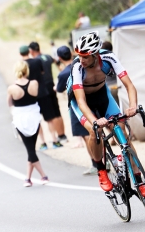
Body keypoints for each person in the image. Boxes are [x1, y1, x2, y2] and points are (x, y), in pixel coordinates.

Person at [66, 32, 144, 195]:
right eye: (79, 55)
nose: (81, 59)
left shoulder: (109, 58)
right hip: (81, 101)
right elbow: (81, 101)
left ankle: (138, 179)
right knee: (95, 132)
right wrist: (95, 121)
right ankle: (101, 169)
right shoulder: (77, 67)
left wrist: (132, 106)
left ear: (95, 54)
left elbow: (129, 84)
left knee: (122, 133)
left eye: (85, 56)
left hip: (102, 96)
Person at [55, 45, 98, 176]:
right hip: (92, 99)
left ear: (60, 58)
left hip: (77, 104)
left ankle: (96, 163)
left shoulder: (63, 74)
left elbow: (59, 89)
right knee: (97, 130)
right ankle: (103, 159)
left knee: (86, 135)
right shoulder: (81, 65)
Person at [7, 61, 49, 187]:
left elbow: (9, 104)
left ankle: (43, 176)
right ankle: (28, 178)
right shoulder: (34, 83)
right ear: (27, 70)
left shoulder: (12, 88)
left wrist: (14, 111)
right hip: (34, 117)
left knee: (30, 149)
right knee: (31, 148)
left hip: (20, 119)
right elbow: (36, 96)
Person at [19, 45, 61, 150]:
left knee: (37, 120)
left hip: (31, 95)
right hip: (43, 92)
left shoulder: (22, 65)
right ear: (29, 51)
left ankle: (43, 142)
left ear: (20, 54)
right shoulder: (37, 61)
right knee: (49, 118)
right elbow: (42, 72)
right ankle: (54, 140)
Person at [29, 42, 67, 143]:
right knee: (57, 111)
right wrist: (61, 71)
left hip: (43, 87)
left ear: (31, 50)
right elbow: (57, 61)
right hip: (51, 84)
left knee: (51, 114)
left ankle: (58, 136)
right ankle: (62, 135)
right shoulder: (47, 56)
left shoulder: (35, 61)